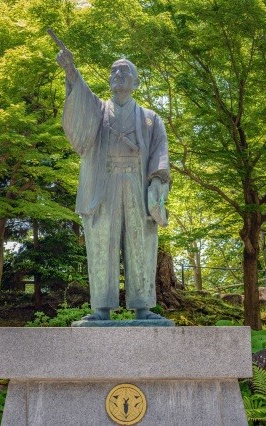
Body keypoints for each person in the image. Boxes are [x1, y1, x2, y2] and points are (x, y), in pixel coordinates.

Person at [56, 45, 170, 321]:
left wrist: (157, 183)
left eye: (124, 71)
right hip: (103, 183)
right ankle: (101, 308)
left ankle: (143, 307)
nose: (117, 74)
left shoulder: (150, 118)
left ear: (136, 82)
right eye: (113, 71)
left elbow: (160, 153)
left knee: (141, 242)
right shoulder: (98, 111)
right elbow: (81, 100)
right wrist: (70, 71)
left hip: (137, 183)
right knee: (101, 242)